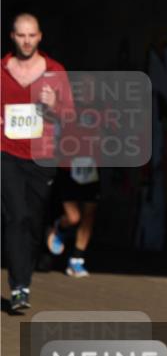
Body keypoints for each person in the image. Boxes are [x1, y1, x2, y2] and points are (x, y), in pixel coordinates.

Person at [1, 13, 75, 310]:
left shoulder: (55, 72)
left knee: (32, 221)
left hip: (42, 157)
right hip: (6, 154)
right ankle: (20, 287)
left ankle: (24, 278)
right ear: (12, 36)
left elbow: (70, 117)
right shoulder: (2, 71)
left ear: (40, 37)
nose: (27, 41)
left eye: (32, 35)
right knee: (15, 217)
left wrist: (54, 106)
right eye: (21, 35)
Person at [47, 73, 105, 277]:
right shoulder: (64, 110)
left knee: (89, 215)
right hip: (67, 168)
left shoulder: (102, 111)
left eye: (90, 87)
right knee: (74, 217)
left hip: (91, 168)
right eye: (82, 87)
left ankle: (77, 260)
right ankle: (59, 227)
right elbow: (52, 135)